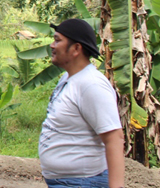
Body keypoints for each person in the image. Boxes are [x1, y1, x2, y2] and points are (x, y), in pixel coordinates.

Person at [39, 19, 124, 188]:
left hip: (82, 182)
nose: (52, 45)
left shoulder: (91, 85)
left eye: (57, 40)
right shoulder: (69, 78)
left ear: (76, 48)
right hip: (67, 181)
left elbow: (114, 138)